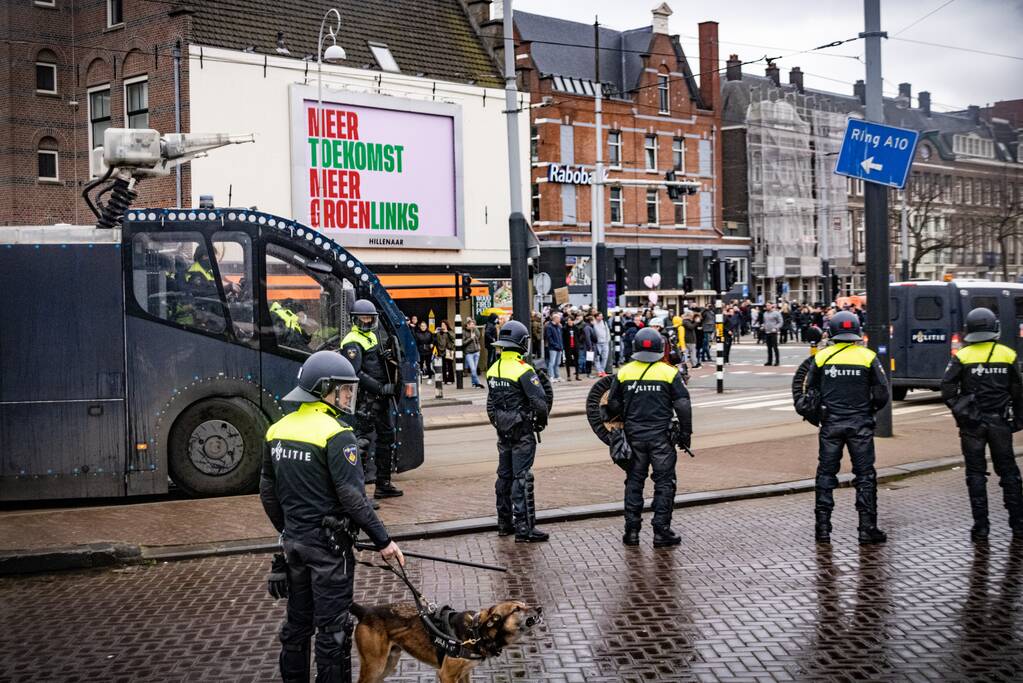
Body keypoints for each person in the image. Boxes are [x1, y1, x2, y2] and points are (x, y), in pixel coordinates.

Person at [260, 351, 405, 683]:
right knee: (332, 631)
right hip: (328, 552)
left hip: (294, 545)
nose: (347, 396)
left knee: (296, 627)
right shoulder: (337, 434)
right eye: (342, 389)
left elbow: (267, 492)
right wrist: (384, 541)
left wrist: (288, 530)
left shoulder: (277, 430)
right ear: (323, 388)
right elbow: (353, 499)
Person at [805, 311, 889, 545]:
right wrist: (868, 409)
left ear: (831, 332)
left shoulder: (822, 357)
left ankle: (822, 529)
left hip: (831, 424)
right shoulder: (868, 356)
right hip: (860, 425)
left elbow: (809, 390)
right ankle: (867, 528)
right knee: (865, 476)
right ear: (856, 332)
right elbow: (882, 393)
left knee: (825, 475)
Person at [941, 307, 1023, 541]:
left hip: (972, 424)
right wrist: (1017, 419)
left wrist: (961, 411)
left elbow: (947, 389)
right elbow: (1018, 391)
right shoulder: (1008, 354)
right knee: (1009, 473)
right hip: (999, 422)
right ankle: (1017, 524)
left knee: (976, 474)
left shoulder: (963, 356)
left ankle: (981, 527)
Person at [605, 328, 692, 548]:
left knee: (634, 482)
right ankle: (661, 532)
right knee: (664, 483)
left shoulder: (624, 372)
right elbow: (683, 405)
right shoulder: (669, 373)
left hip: (633, 437)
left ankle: (631, 532)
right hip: (661, 438)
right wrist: (685, 434)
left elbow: (613, 404)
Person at [485, 320, 551, 542]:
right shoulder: (524, 370)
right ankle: (525, 529)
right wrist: (540, 423)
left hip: (502, 430)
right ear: (522, 343)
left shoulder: (493, 369)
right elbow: (540, 402)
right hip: (522, 429)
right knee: (521, 477)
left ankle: (504, 523)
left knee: (503, 476)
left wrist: (498, 422)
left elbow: (490, 404)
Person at [341, 299, 402, 503]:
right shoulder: (352, 341)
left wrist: (386, 357)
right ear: (355, 319)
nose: (367, 321)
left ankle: (383, 485)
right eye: (363, 318)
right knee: (362, 443)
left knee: (387, 438)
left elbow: (377, 364)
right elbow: (355, 372)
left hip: (382, 399)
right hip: (366, 400)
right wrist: (379, 387)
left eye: (370, 318)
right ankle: (359, 494)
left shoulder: (372, 337)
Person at [464, 318, 484, 389]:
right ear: (467, 325)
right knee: (473, 369)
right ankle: (478, 383)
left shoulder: (475, 330)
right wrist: (471, 338)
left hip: (476, 352)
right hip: (469, 353)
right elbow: (463, 343)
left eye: (473, 324)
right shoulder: (464, 332)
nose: (473, 325)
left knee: (474, 369)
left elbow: (479, 336)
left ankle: (473, 383)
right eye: (471, 324)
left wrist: (475, 329)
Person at [544, 313, 564, 382]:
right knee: (552, 363)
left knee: (557, 363)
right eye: (559, 318)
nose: (560, 320)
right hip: (553, 348)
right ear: (555, 319)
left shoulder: (558, 327)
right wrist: (556, 345)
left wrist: (561, 346)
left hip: (559, 347)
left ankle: (557, 376)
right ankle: (551, 376)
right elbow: (549, 338)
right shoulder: (550, 327)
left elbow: (560, 338)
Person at [435, 320, 455, 384]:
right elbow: (436, 340)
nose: (442, 326)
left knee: (449, 365)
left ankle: (450, 379)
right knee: (443, 366)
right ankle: (444, 379)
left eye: (444, 325)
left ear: (447, 325)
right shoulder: (439, 333)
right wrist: (435, 333)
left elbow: (453, 338)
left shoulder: (450, 332)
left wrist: (447, 332)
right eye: (442, 325)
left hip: (448, 350)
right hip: (441, 350)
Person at [593, 311, 611, 377]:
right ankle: (599, 371)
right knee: (597, 358)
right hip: (597, 343)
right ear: (596, 317)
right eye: (599, 316)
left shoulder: (604, 322)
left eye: (601, 316)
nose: (601, 317)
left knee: (605, 357)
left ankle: (602, 370)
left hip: (605, 343)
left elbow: (607, 331)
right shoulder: (593, 323)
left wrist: (607, 340)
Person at [563, 316, 580, 381]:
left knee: (576, 361)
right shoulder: (565, 328)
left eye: (571, 320)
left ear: (573, 321)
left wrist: (578, 343)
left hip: (575, 346)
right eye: (568, 320)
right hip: (568, 347)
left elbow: (578, 336)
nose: (570, 322)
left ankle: (577, 375)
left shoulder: (576, 328)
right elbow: (563, 337)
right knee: (568, 361)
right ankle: (568, 376)